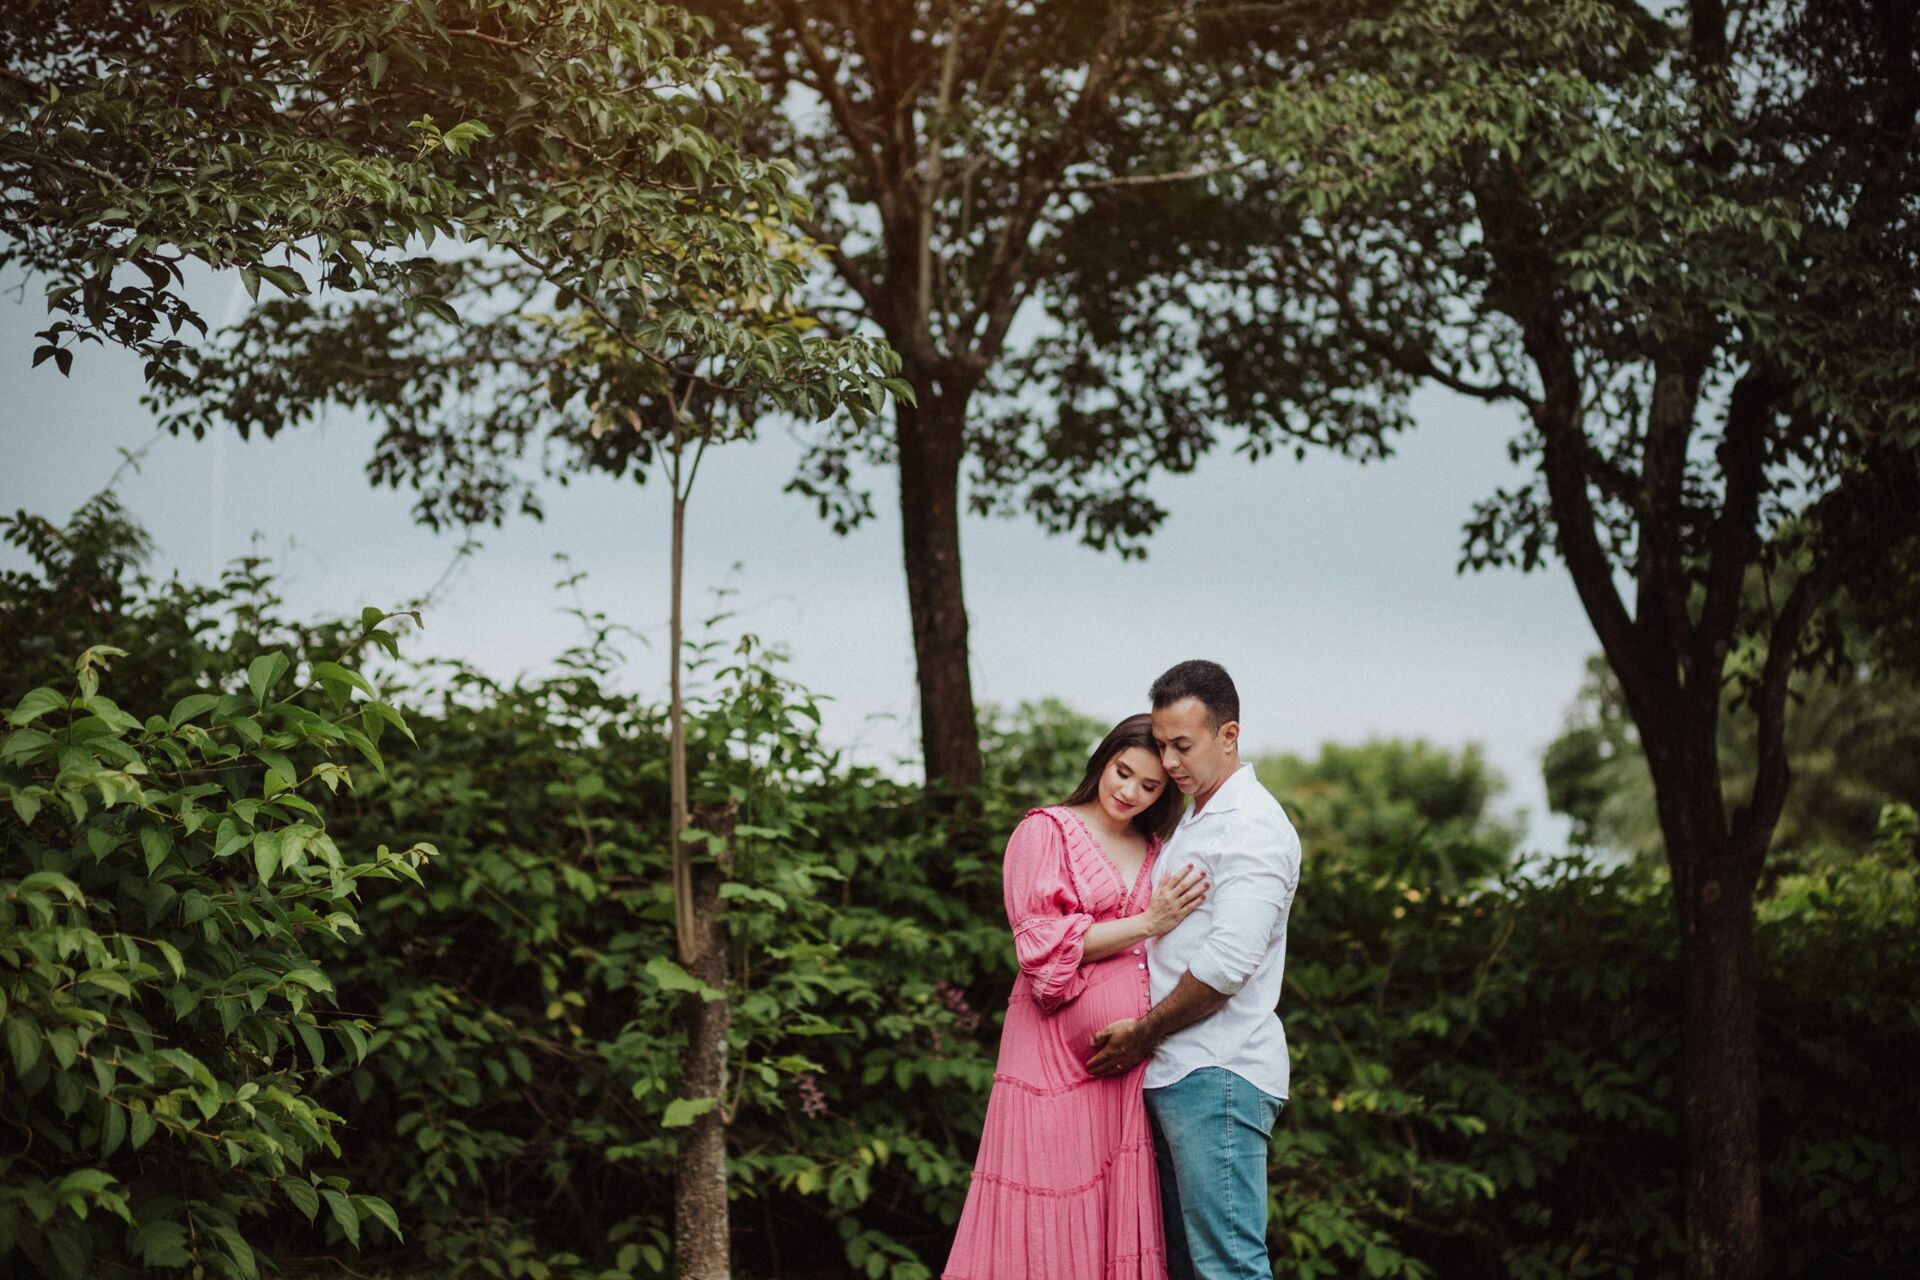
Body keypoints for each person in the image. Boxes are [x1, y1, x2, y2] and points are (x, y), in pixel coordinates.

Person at [944, 714, 1210, 1280]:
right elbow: (1040, 949)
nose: (1129, 792)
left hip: (1122, 1066)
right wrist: (1148, 921)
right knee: (1041, 1196)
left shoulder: (1156, 847)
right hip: (1045, 1059)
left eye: (1149, 786)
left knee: (1108, 1206)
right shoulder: (1046, 831)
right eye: (1122, 772)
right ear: (1102, 761)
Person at [1089, 661, 1302, 1280]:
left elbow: (1227, 967)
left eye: (1183, 745)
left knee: (1228, 1267)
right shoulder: (1199, 817)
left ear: (1228, 736)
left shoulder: (1254, 829)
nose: (1170, 762)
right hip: (1179, 1072)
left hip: (1219, 1072)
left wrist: (1143, 1034)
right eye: (1161, 744)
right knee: (1183, 1269)